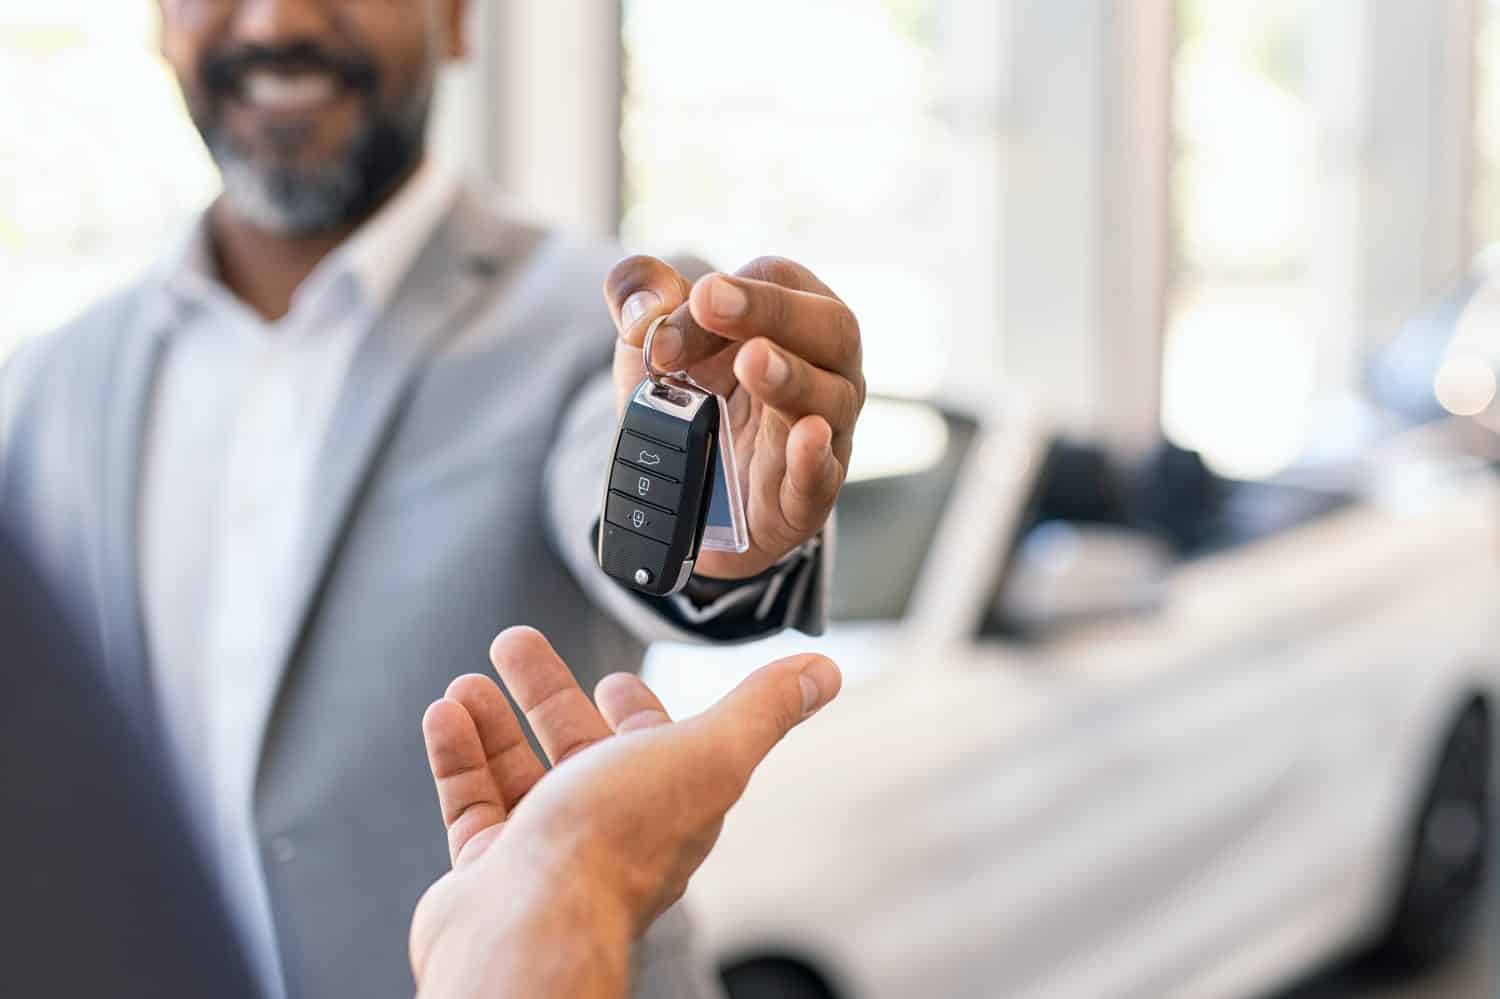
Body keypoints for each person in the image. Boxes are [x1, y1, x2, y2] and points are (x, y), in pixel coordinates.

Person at [0, 1, 865, 996]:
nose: (278, 17)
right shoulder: (46, 383)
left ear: (455, 20)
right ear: (162, 24)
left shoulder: (619, 320)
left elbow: (640, 493)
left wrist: (729, 521)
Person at [0, 520, 842, 998]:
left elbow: (682, 539)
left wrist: (735, 530)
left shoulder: (597, 307)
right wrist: (567, 892)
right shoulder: (50, 369)